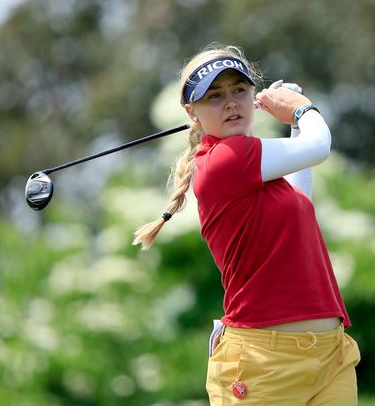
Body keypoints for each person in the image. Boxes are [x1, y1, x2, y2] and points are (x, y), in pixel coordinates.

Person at [132, 43, 360, 405]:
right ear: (191, 112)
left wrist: (295, 124)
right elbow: (320, 147)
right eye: (215, 96)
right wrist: (302, 110)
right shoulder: (227, 159)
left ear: (253, 94)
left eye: (239, 90)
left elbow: (303, 193)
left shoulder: (255, 166)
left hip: (331, 354)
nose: (231, 103)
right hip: (262, 363)